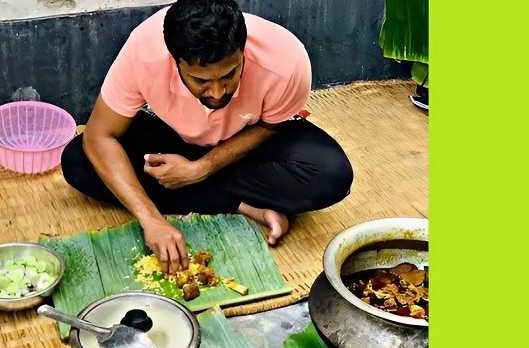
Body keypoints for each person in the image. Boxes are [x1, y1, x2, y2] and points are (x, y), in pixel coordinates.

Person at [61, 0, 353, 274]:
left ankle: (209, 191)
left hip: (247, 138)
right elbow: (99, 136)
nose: (216, 93)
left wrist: (202, 168)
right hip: (172, 137)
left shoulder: (285, 60)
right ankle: (243, 204)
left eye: (229, 74)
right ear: (174, 61)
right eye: (200, 80)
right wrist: (151, 219)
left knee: (331, 174)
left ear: (243, 51)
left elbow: (271, 125)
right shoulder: (144, 51)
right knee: (78, 161)